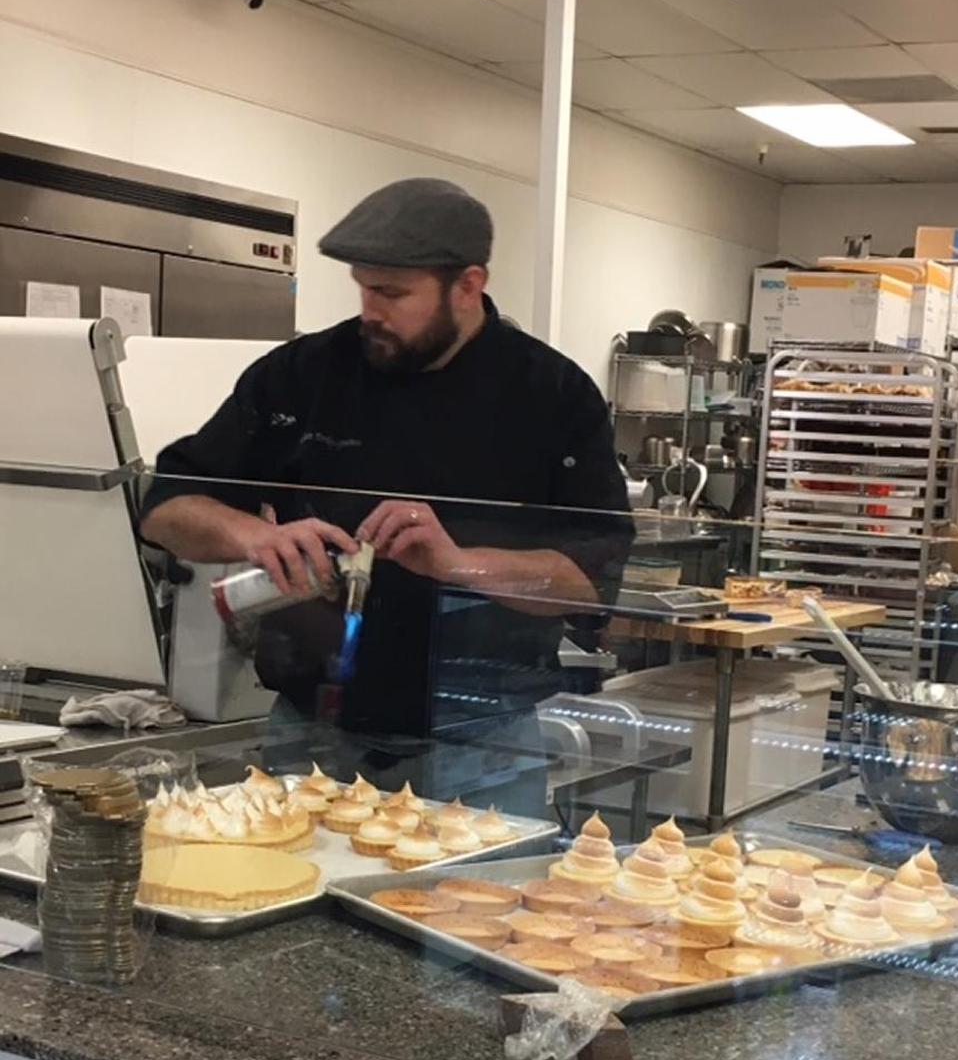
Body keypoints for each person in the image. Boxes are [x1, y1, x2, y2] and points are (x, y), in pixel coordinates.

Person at [141, 177, 632, 813]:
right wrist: (258, 537)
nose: (371, 309)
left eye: (393, 293)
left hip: (482, 744)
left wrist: (458, 565)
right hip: (311, 731)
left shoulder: (552, 396)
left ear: (468, 285)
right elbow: (167, 507)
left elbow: (590, 583)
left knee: (473, 913)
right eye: (364, 288)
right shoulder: (303, 376)